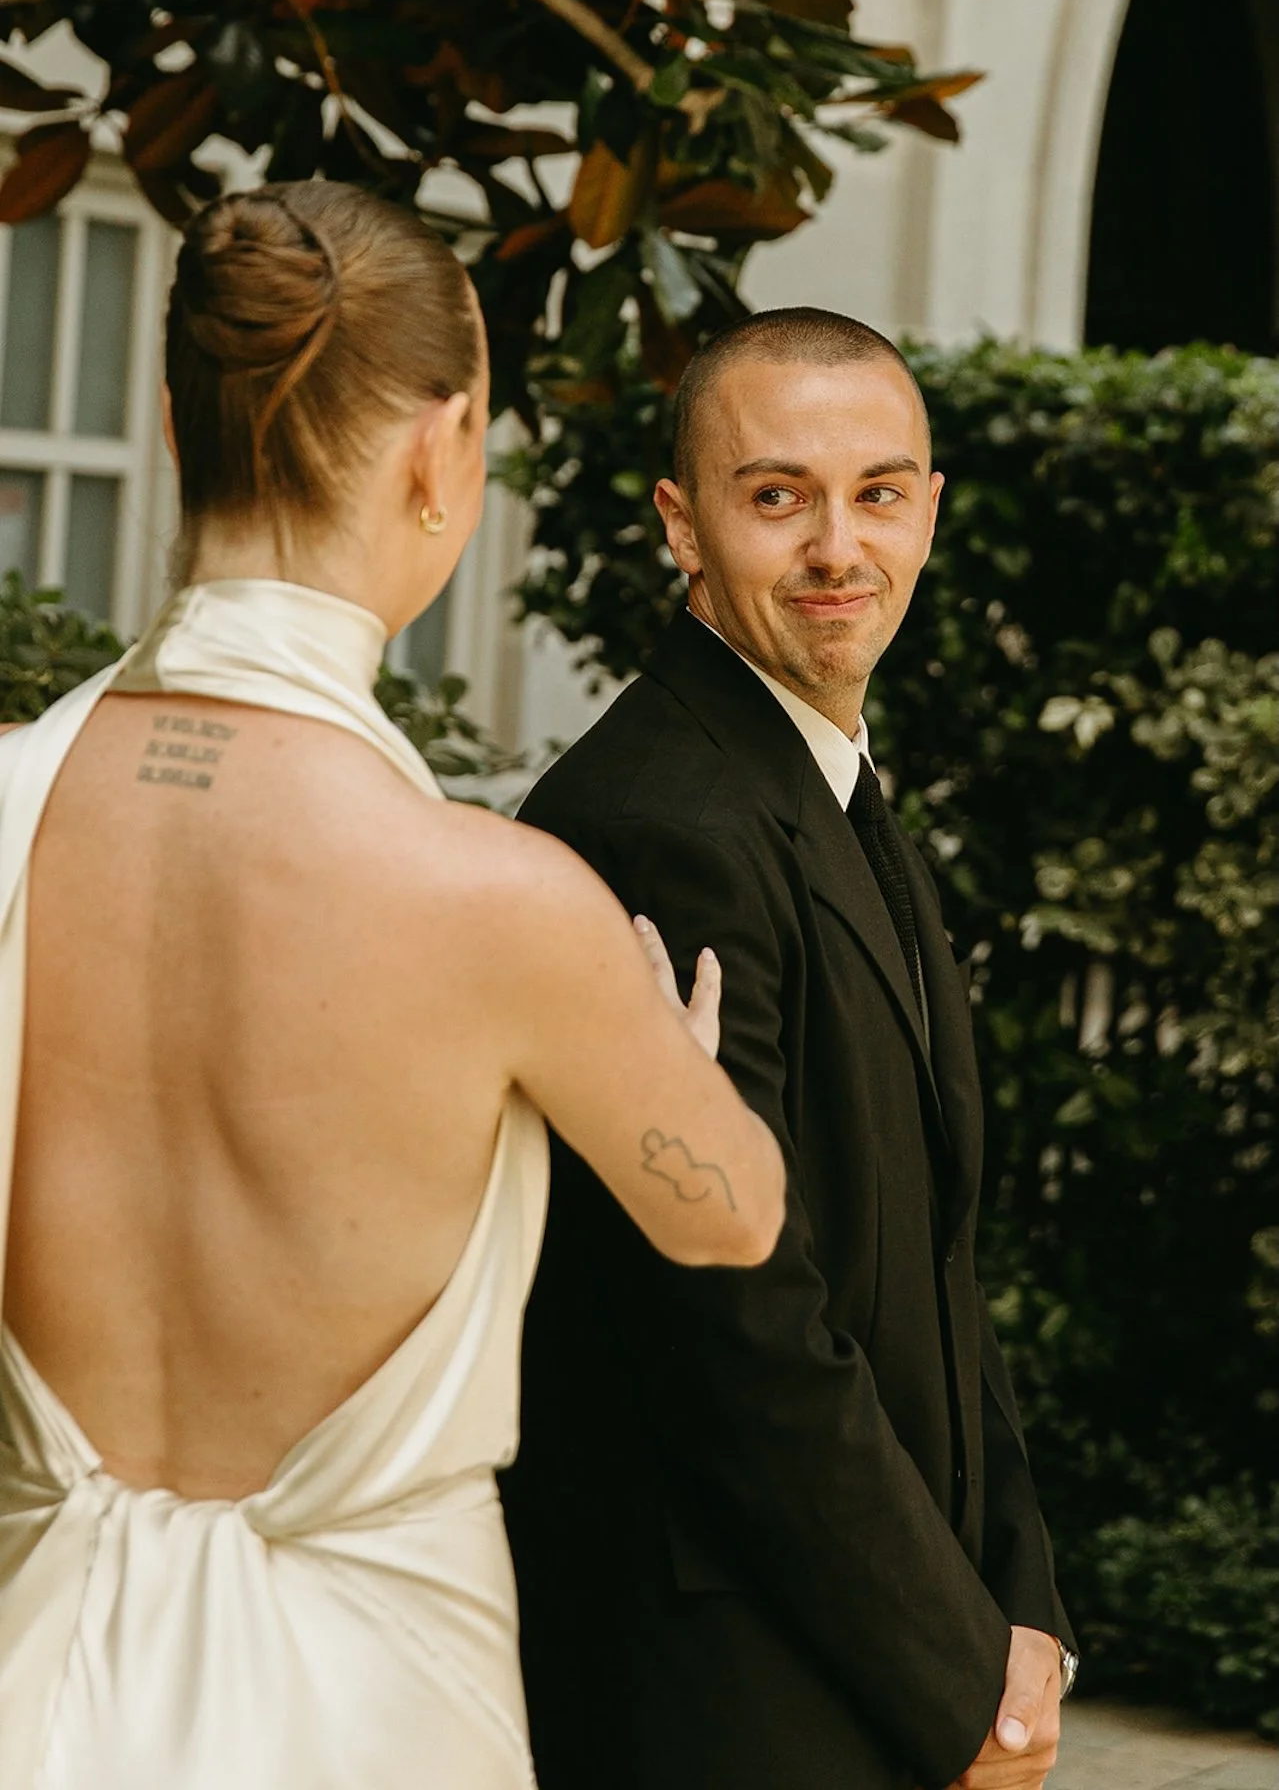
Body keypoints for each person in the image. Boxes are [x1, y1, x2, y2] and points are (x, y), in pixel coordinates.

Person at [0, 182, 785, 1790]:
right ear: (441, 449)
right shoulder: (498, 904)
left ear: (167, 425)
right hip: (377, 1724)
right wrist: (653, 1056)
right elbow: (732, 1214)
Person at [501, 308, 1078, 1790]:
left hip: (878, 1649)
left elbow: (939, 1259)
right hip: (730, 1689)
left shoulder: (822, 777)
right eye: (777, 497)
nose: (839, 545)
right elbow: (731, 1324)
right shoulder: (655, 821)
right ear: (680, 527)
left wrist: (1021, 1608)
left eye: (878, 493)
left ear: (929, 511)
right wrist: (955, 1673)